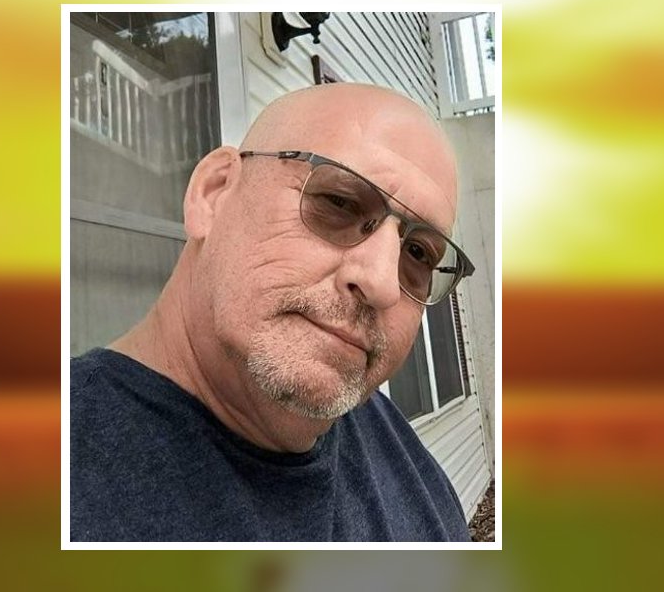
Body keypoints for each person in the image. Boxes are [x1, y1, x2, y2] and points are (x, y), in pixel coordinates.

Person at [70, 83, 475, 542]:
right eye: (339, 202)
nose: (381, 284)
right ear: (214, 193)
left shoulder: (388, 437)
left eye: (418, 254)